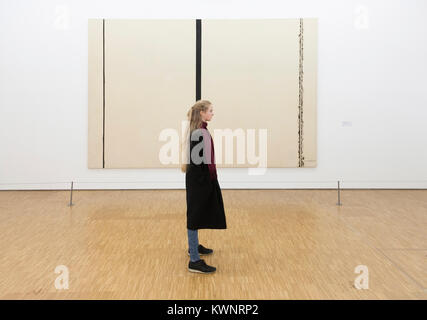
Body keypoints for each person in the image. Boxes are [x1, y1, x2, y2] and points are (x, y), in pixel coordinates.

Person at [181, 100, 227, 274]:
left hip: (199, 179)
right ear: (201, 112)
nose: (212, 113)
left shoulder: (200, 130)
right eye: (210, 110)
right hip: (198, 181)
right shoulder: (199, 132)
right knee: (194, 216)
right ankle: (194, 260)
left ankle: (194, 247)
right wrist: (207, 183)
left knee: (197, 213)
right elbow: (200, 162)